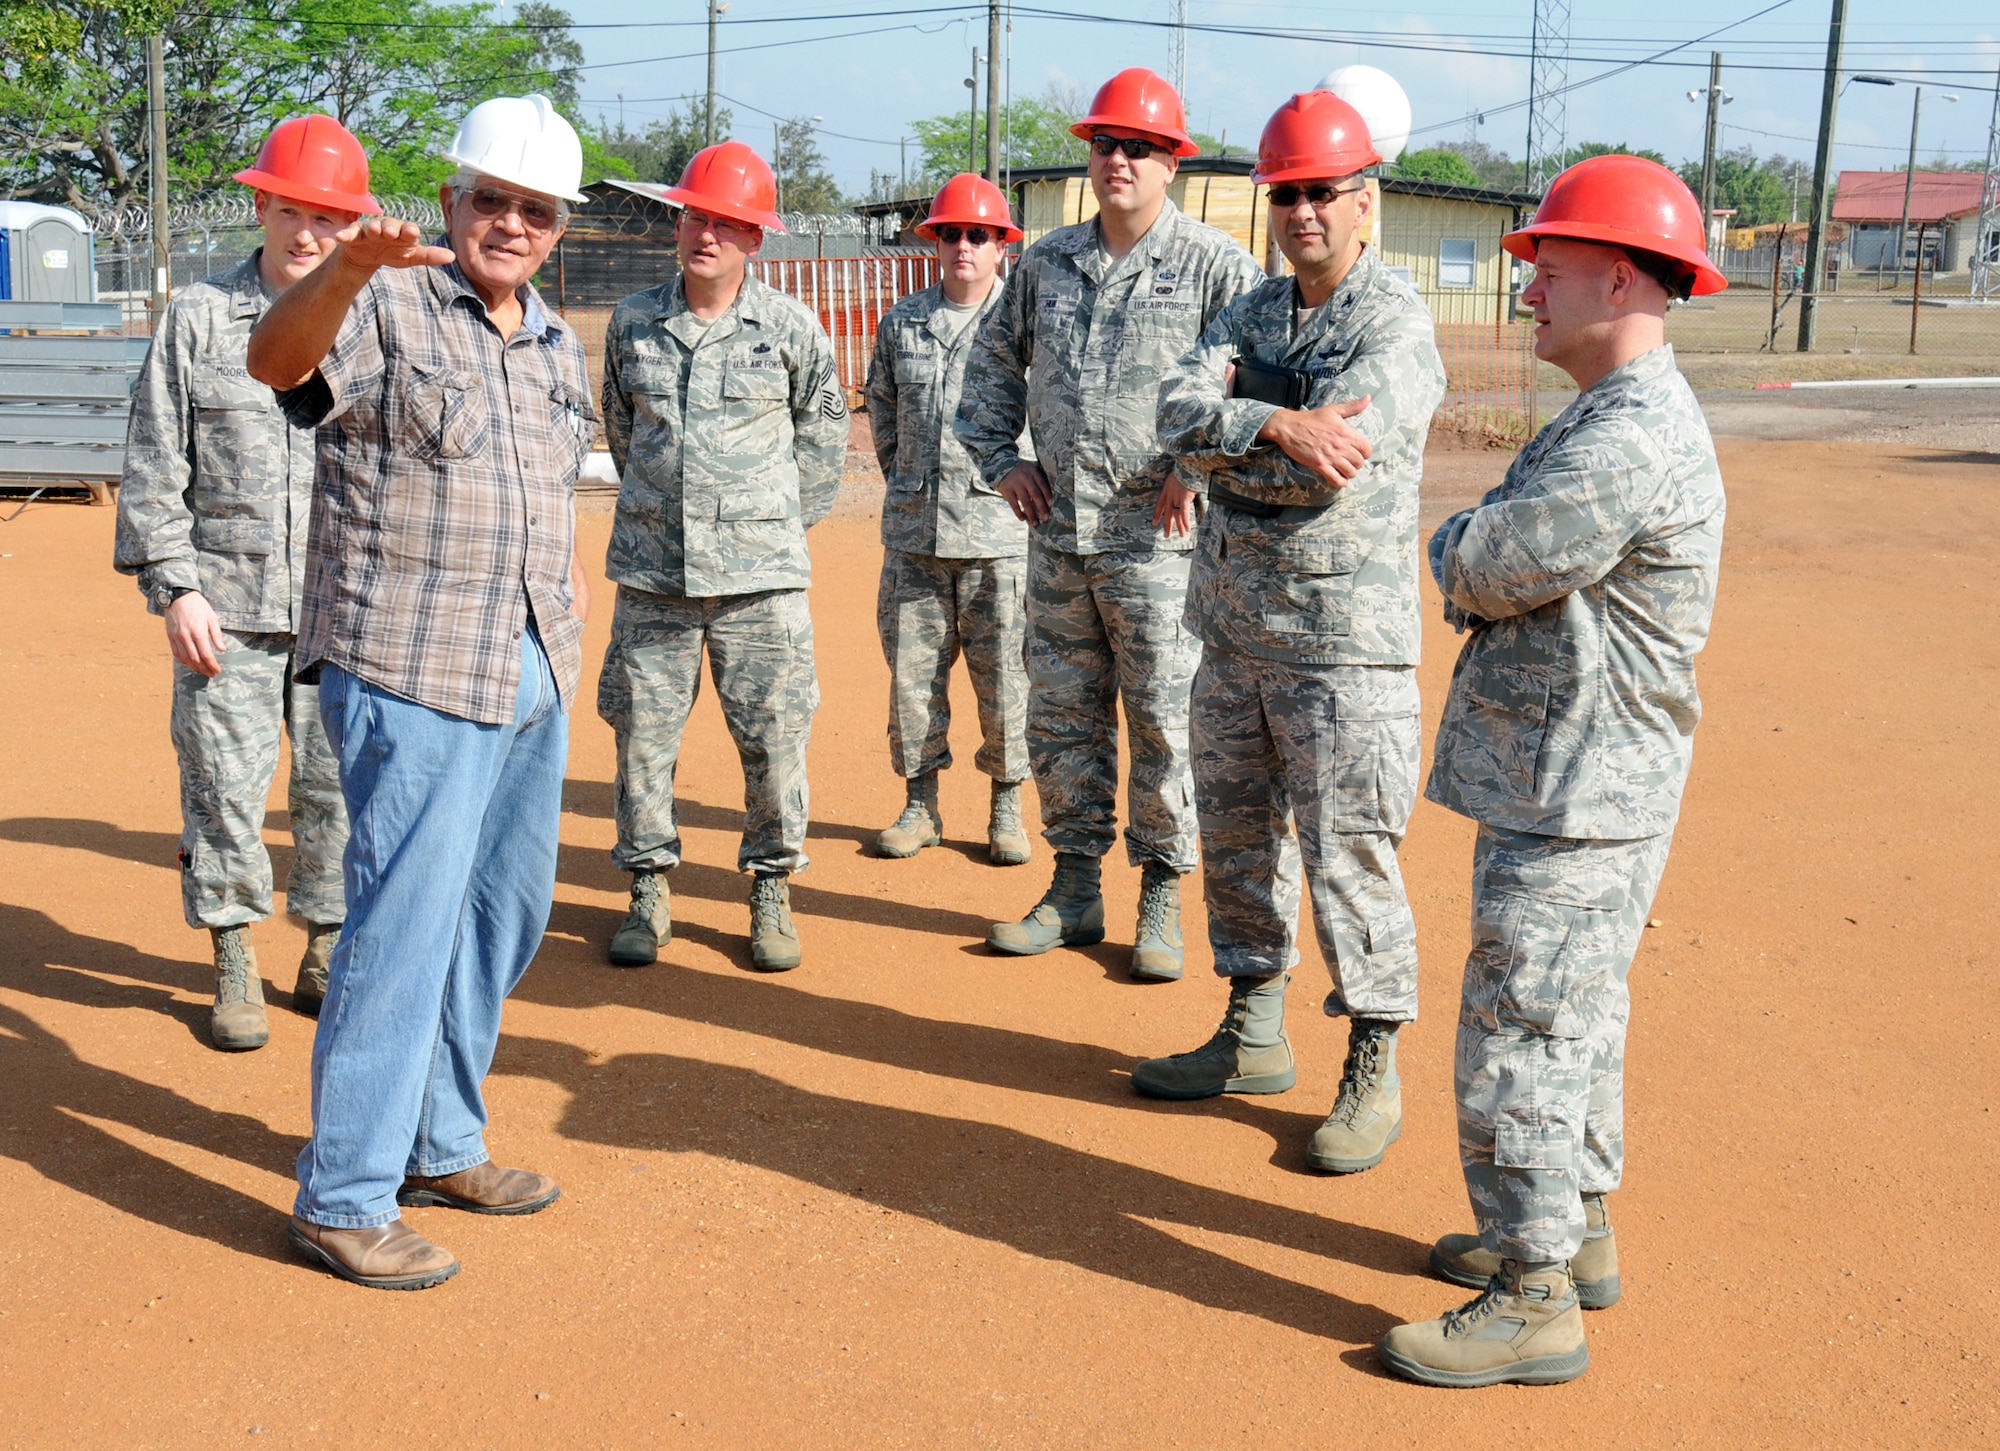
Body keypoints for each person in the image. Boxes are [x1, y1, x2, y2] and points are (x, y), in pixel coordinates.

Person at [1377, 154, 1727, 1387]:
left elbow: (1487, 562)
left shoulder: (1627, 434)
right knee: (1572, 1010)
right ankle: (1568, 1230)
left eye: (1550, 265)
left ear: (1620, 275)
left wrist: (1450, 539)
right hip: (1572, 773)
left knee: (1521, 1021)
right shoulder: (1610, 416)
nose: (1528, 286)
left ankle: (1529, 1294)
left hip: (1577, 784)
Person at [245, 94, 597, 1290]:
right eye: (490, 198)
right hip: (409, 664)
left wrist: (557, 655)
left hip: (528, 665)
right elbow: (274, 362)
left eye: (534, 210)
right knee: (399, 930)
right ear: (450, 196)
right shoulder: (384, 300)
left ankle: (440, 1142)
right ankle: (343, 1191)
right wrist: (343, 271)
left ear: (559, 228)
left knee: (503, 917)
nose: (509, 223)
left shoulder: (555, 342)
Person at [1136, 92, 1444, 1176]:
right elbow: (1167, 410)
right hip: (1230, 633)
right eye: (1286, 194)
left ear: (1365, 201)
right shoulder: (1253, 313)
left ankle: (1369, 1059)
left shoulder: (1392, 323)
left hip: (1339, 647)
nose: (1301, 212)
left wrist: (1227, 449)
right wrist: (1267, 421)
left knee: (1349, 857)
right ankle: (1251, 1028)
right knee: (1233, 841)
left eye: (1321, 192)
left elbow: (1332, 474)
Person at [956, 67, 1263, 979]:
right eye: (1105, 145)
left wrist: (1193, 466)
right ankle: (1076, 885)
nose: (1118, 159)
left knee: (1166, 719)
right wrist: (1001, 460)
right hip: (1057, 538)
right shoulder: (1045, 264)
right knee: (1061, 716)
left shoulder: (1217, 268)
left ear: (1174, 162)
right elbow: (988, 376)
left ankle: (1162, 890)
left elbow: (1250, 388)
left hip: (1160, 544)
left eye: (1140, 147)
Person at [114, 116, 374, 1051]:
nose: (307, 233)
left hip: (345, 610)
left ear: (355, 226)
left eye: (330, 217)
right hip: (227, 606)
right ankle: (232, 952)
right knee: (222, 784)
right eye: (291, 209)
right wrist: (175, 588)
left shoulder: (373, 320)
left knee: (340, 788)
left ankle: (325, 943)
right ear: (259, 204)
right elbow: (154, 461)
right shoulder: (197, 317)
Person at [597, 141, 847, 974]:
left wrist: (773, 524)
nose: (707, 234)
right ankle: (648, 887)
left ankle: (771, 884)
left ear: (757, 239)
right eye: (697, 217)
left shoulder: (789, 328)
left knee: (775, 739)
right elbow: (622, 429)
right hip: (652, 574)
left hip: (760, 582)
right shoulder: (633, 321)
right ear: (679, 222)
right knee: (642, 737)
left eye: (728, 223)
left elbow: (823, 436)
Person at [863, 173, 1032, 867]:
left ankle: (1006, 805)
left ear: (1002, 248)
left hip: (1000, 538)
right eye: (951, 233)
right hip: (916, 537)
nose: (964, 245)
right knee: (912, 677)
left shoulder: (1023, 327)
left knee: (1008, 679)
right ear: (935, 242)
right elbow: (883, 416)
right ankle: (920, 804)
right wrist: (911, 484)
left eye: (979, 235)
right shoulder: (903, 323)